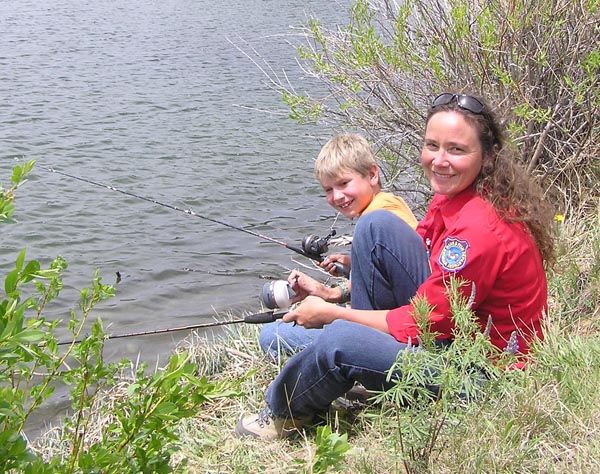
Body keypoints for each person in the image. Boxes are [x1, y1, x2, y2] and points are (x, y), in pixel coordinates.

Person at [236, 92, 555, 440]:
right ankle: (360, 368)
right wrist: (336, 291)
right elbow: (426, 276)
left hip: (478, 373)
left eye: (457, 149)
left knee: (340, 336)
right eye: (432, 145)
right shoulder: (455, 197)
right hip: (450, 337)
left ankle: (284, 414)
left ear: (488, 156)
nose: (439, 160)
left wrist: (334, 314)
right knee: (276, 333)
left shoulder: (480, 229)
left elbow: (423, 322)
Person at [259, 132, 428, 358]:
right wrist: (333, 288)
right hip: (397, 325)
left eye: (344, 183)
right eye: (328, 189)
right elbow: (393, 277)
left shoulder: (378, 218)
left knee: (272, 336)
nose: (337, 196)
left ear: (372, 174)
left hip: (392, 336)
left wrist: (332, 313)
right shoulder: (390, 204)